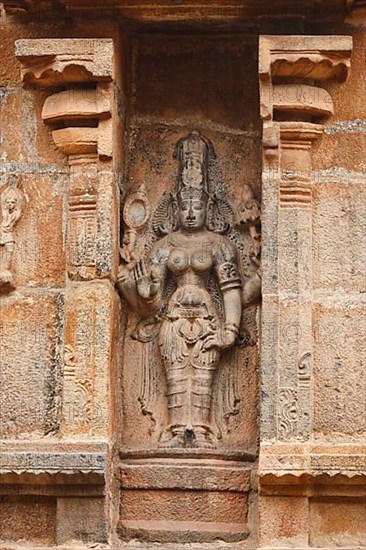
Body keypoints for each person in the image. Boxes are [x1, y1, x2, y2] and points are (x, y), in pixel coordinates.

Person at [118, 184, 242, 449]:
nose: (190, 212)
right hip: (173, 318)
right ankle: (176, 430)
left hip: (206, 317)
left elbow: (231, 288)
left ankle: (200, 431)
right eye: (184, 205)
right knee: (176, 376)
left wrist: (229, 330)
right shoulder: (164, 247)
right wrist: (144, 290)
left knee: (202, 376)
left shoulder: (219, 245)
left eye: (197, 205)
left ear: (208, 207)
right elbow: (152, 302)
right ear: (175, 207)